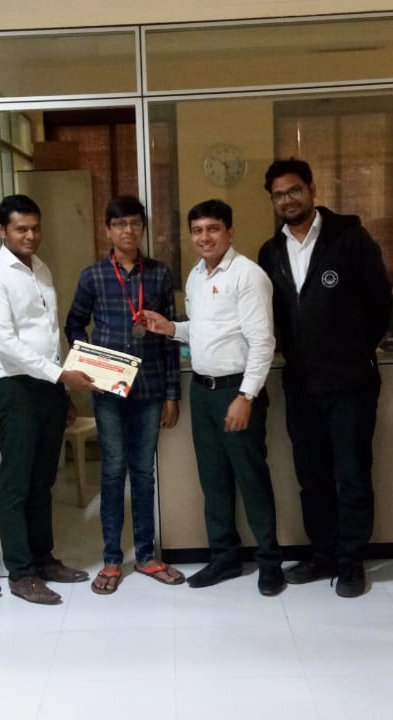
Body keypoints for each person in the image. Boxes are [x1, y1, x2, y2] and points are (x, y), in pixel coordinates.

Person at [255, 158, 393, 598]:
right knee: (311, 476)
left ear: (312, 190)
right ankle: (323, 554)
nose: (288, 200)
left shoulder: (349, 239)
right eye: (279, 195)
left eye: (294, 190)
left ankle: (351, 562)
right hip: (301, 384)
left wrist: (351, 351)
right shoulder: (270, 252)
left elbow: (381, 305)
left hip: (350, 384)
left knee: (352, 475)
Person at [142, 199, 283, 596]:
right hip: (202, 393)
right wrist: (170, 328)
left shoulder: (248, 276)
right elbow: (202, 331)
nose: (204, 237)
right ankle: (225, 557)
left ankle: (270, 562)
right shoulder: (196, 277)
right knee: (213, 480)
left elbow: (262, 343)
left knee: (251, 479)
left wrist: (246, 396)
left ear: (229, 232)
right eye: (197, 230)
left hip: (237, 392)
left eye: (213, 229)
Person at [0, 194, 96, 605]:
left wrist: (62, 389)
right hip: (16, 389)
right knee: (17, 483)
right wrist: (61, 375)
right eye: (21, 229)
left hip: (48, 387)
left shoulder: (40, 268)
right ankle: (21, 572)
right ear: (2, 231)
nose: (30, 235)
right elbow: (6, 343)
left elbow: (49, 333)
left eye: (35, 227)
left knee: (43, 480)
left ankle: (44, 559)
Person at [64, 196, 184, 595]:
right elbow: (74, 324)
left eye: (134, 223)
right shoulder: (93, 276)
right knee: (113, 472)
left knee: (144, 473)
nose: (128, 230)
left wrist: (172, 394)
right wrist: (90, 363)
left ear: (143, 228)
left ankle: (146, 556)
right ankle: (113, 559)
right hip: (109, 391)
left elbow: (170, 337)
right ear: (108, 230)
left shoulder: (160, 274)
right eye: (120, 224)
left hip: (150, 388)